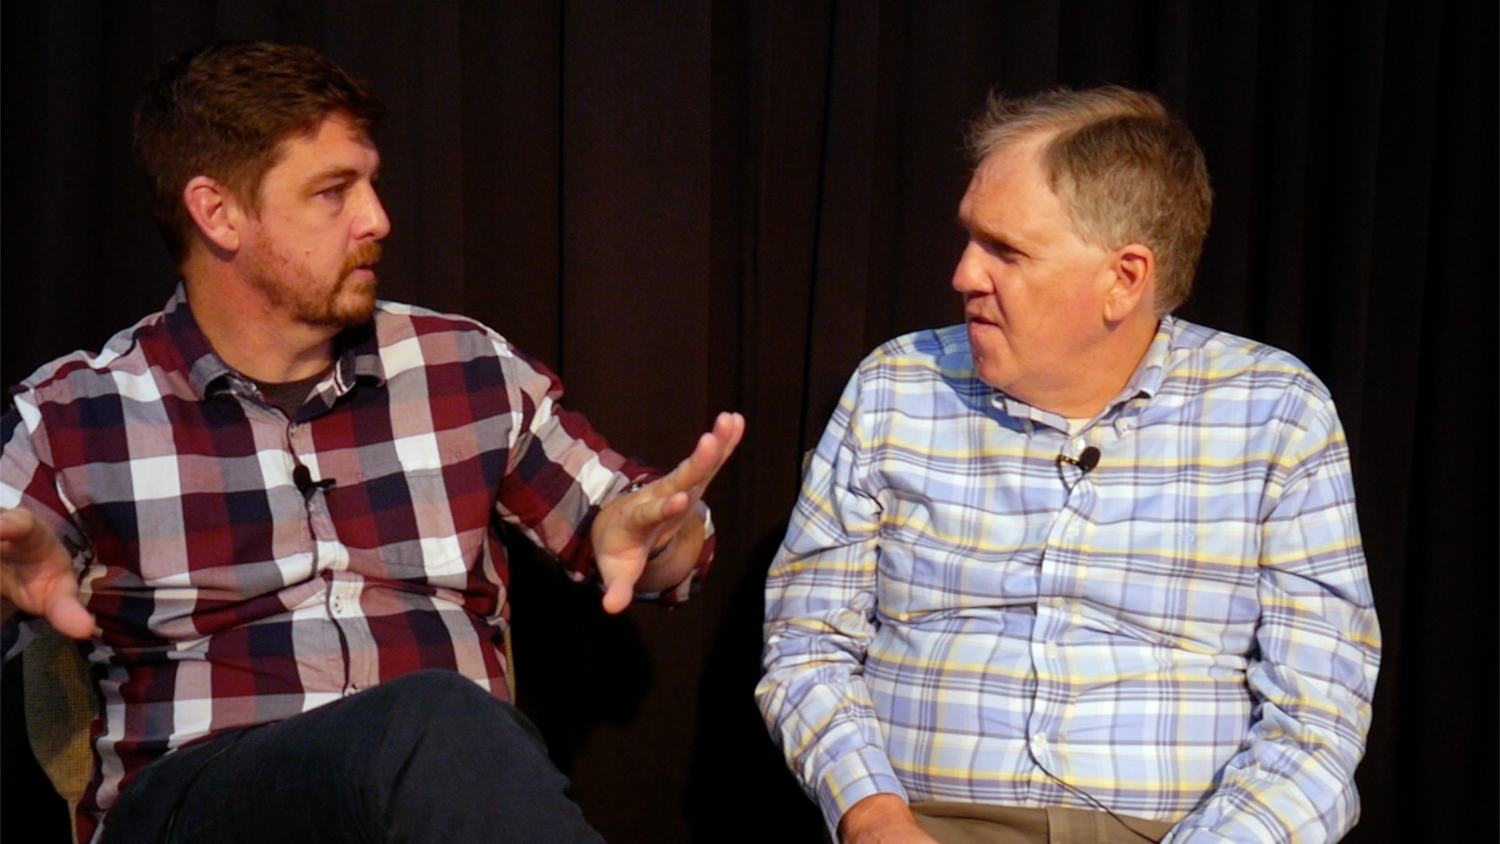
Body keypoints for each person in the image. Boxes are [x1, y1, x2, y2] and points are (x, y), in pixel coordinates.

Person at [0, 41, 743, 843]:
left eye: (371, 183)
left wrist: (657, 533)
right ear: (218, 213)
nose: (377, 219)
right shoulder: (74, 413)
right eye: (333, 192)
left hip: (437, 804)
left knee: (436, 729)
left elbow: (654, 544)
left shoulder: (463, 367)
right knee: (433, 716)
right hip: (202, 801)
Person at [757, 86, 1379, 844]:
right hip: (923, 825)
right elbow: (807, 645)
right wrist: (872, 816)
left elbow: (1319, 720)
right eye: (970, 238)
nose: (963, 274)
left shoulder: (1276, 410)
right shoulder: (897, 387)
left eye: (1005, 250)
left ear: (1124, 278)